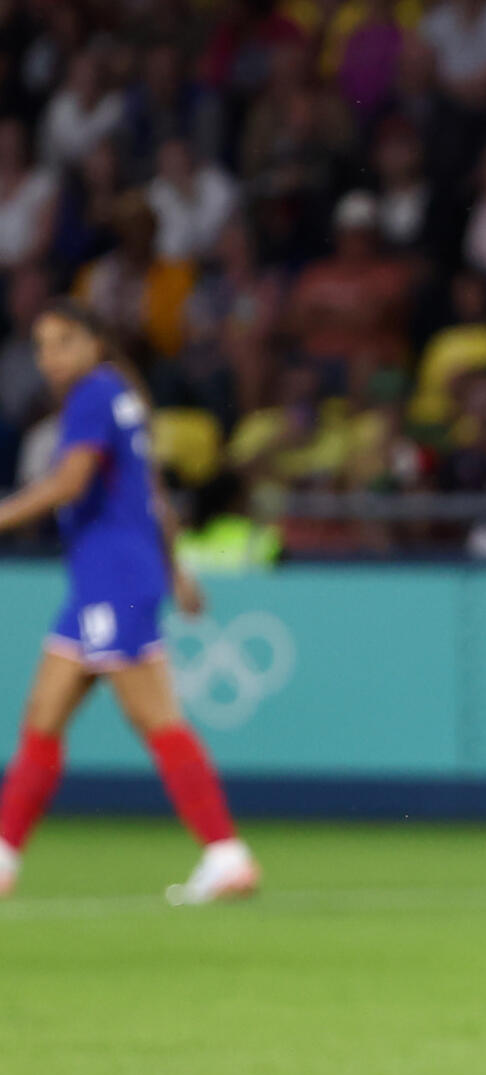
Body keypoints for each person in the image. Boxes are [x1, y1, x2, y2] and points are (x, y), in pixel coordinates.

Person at [0, 301, 258, 905]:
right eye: (41, 346)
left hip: (113, 580)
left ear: (95, 342)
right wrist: (176, 570)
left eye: (63, 342)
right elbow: (153, 498)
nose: (49, 357)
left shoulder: (93, 395)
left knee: (156, 719)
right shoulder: (120, 395)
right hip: (106, 581)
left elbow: (71, 483)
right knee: (43, 715)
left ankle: (226, 854)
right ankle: (4, 856)